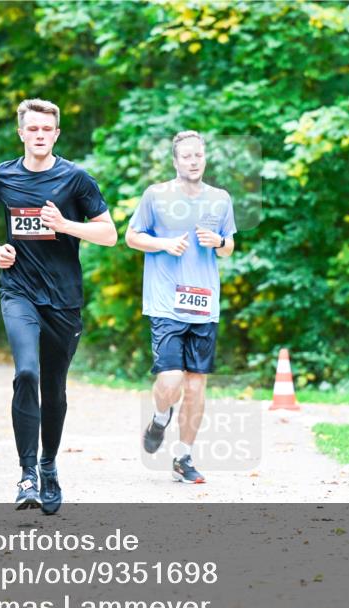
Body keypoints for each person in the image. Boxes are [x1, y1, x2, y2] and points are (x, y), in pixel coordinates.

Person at [0, 98, 116, 514]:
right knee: (26, 372)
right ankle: (27, 473)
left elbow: (109, 234)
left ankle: (49, 464)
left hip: (64, 300)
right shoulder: (1, 176)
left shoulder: (76, 180)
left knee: (54, 389)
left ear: (55, 134)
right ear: (21, 132)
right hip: (18, 292)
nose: (38, 136)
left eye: (45, 130)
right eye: (31, 129)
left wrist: (66, 225)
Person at [125, 130, 236, 484]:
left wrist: (219, 241)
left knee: (197, 385)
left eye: (198, 155)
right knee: (171, 379)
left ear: (205, 159)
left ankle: (183, 457)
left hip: (205, 304)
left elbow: (228, 247)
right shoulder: (156, 196)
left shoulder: (220, 199)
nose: (193, 161)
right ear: (175, 161)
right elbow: (131, 236)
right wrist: (163, 243)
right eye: (186, 156)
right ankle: (160, 416)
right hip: (166, 303)